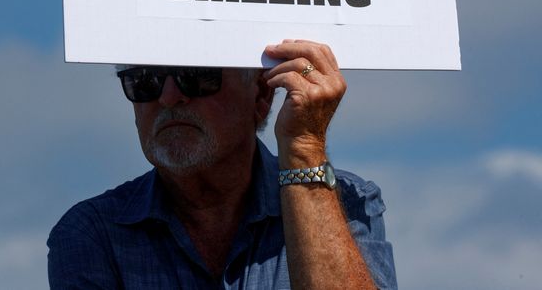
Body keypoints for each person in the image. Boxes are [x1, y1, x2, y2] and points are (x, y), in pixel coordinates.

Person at [48, 39, 397, 289]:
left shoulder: (345, 201)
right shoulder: (93, 233)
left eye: (198, 75)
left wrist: (304, 147)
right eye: (144, 80)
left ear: (261, 96)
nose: (169, 97)